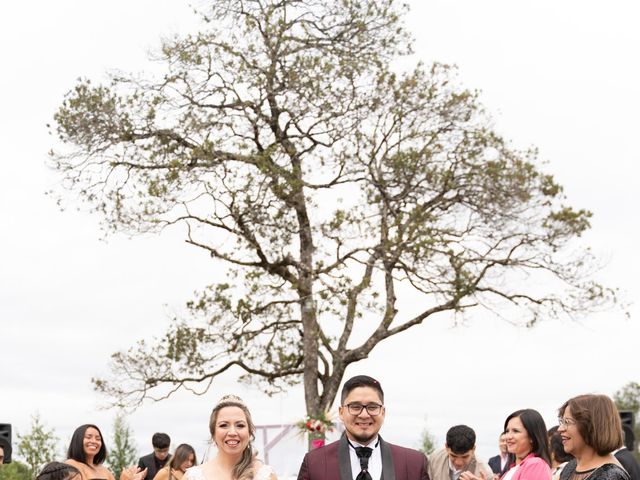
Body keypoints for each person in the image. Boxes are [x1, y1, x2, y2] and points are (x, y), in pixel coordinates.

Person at [297, 374, 429, 480]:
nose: (364, 415)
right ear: (341, 412)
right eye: (355, 407)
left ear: (383, 412)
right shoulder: (314, 464)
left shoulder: (414, 463)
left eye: (372, 407)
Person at [184, 394, 277, 480]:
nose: (232, 432)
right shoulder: (192, 477)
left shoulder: (266, 476)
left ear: (249, 432)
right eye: (224, 425)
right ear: (213, 433)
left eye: (240, 425)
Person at [558, 394, 630, 480]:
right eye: (561, 422)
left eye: (567, 422)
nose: (560, 429)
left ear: (592, 426)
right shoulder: (570, 468)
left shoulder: (611, 476)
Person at [464, 409, 551, 480]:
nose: (508, 436)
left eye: (515, 431)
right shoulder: (511, 469)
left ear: (532, 437)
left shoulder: (535, 464)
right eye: (507, 431)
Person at [65, 424, 146, 480]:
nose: (94, 441)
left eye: (98, 439)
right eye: (88, 437)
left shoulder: (105, 471)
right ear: (78, 440)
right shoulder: (70, 465)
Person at [429, 425, 493, 480]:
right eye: (453, 456)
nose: (458, 463)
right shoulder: (435, 459)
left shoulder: (485, 473)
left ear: (473, 449)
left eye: (465, 457)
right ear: (446, 447)